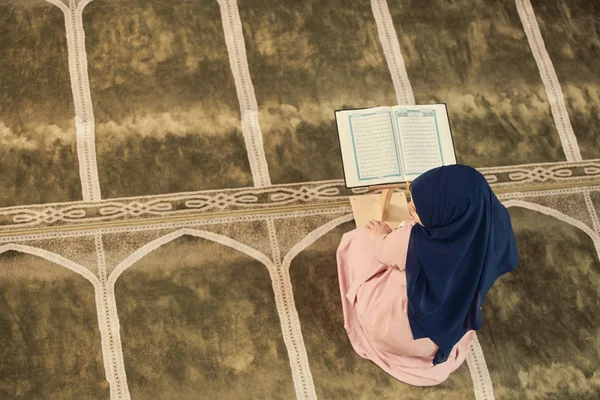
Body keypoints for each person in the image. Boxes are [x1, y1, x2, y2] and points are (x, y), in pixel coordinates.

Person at [336, 164, 518, 386]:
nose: (410, 206)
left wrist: (381, 235)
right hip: (450, 326)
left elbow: (382, 251)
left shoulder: (412, 242)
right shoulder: (491, 228)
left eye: (416, 209)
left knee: (359, 239)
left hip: (400, 333)